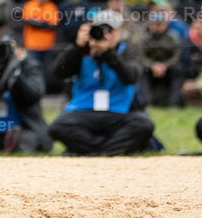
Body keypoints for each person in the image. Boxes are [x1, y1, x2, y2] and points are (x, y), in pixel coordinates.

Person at [48, 10, 155, 156]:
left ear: (119, 32)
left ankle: (89, 150)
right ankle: (109, 150)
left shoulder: (126, 51)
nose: (105, 35)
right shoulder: (81, 51)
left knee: (144, 124)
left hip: (117, 112)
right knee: (57, 126)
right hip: (84, 110)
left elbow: (132, 77)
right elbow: (58, 73)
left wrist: (108, 53)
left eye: (110, 30)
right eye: (100, 30)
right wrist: (77, 47)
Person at [136, 4, 184, 108]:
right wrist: (153, 66)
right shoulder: (144, 39)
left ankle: (173, 103)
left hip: (168, 68)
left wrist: (165, 65)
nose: (157, 27)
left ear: (166, 25)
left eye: (160, 24)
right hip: (150, 68)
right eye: (155, 24)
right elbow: (141, 57)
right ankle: (147, 102)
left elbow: (177, 55)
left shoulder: (173, 38)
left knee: (178, 70)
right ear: (150, 25)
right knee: (141, 71)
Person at [21, 0, 60, 77]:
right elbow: (27, 20)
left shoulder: (52, 7)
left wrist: (38, 23)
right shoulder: (30, 5)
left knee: (46, 71)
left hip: (47, 45)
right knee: (32, 70)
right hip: (32, 45)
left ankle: (44, 90)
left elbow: (54, 25)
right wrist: (44, 24)